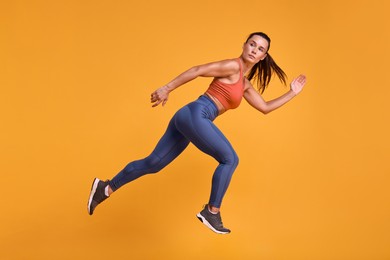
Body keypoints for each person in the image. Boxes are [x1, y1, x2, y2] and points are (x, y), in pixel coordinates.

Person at [87, 32, 307, 234]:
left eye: (260, 49)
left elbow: (265, 108)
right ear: (244, 45)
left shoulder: (245, 84)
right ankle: (211, 212)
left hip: (190, 117)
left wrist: (292, 93)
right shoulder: (233, 66)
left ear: (263, 56)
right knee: (230, 159)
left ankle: (105, 188)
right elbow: (198, 70)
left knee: (153, 163)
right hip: (196, 114)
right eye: (252, 44)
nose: (254, 50)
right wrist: (167, 88)